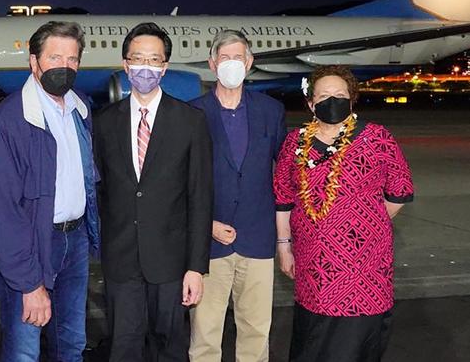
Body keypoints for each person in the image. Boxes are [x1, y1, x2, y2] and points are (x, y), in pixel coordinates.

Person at [274, 65, 414, 362]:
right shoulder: (294, 143)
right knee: (314, 338)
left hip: (365, 265)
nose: (332, 101)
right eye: (323, 95)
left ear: (352, 100)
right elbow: (284, 199)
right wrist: (285, 247)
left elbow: (400, 191)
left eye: (339, 94)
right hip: (314, 262)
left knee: (355, 341)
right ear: (311, 103)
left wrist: (364, 223)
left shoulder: (376, 137)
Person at [93, 22, 213, 362]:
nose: (145, 67)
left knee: (171, 348)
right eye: (138, 58)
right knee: (123, 346)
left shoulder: (191, 121)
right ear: (125, 63)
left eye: (154, 60)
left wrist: (195, 267)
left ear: (164, 67)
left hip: (172, 264)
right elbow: (103, 191)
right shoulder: (104, 122)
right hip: (121, 261)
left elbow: (200, 197)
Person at [0, 21, 100, 362]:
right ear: (33, 62)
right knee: (24, 350)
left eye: (72, 58)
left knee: (71, 343)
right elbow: (4, 212)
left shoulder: (80, 111)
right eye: (54, 57)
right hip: (32, 245)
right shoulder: (10, 122)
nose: (64, 66)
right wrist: (28, 284)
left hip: (74, 241)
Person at [188, 30, 287, 362]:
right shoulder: (192, 114)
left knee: (256, 331)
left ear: (250, 63)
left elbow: (284, 173)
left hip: (257, 239)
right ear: (212, 63)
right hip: (209, 243)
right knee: (204, 333)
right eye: (225, 58)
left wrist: (285, 239)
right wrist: (205, 225)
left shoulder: (271, 111)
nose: (232, 64)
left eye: (239, 58)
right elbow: (180, 183)